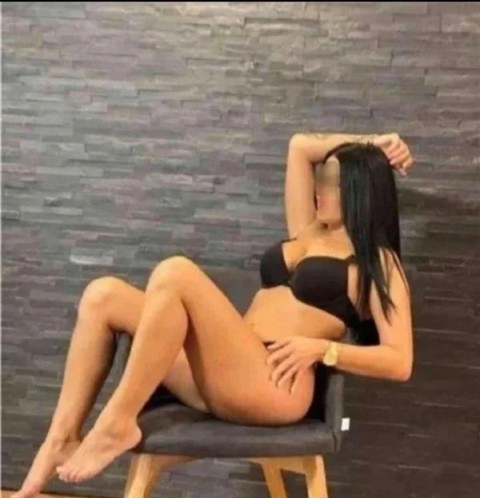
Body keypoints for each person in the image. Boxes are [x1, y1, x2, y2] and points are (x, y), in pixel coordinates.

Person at [12, 131, 414, 489]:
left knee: (176, 273)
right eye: (321, 178)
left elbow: (399, 361)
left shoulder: (378, 263)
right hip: (227, 371)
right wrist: (373, 143)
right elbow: (300, 146)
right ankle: (61, 439)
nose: (318, 189)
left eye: (330, 182)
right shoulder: (308, 230)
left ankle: (116, 423)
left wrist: (324, 350)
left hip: (275, 386)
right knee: (103, 296)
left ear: (359, 189)